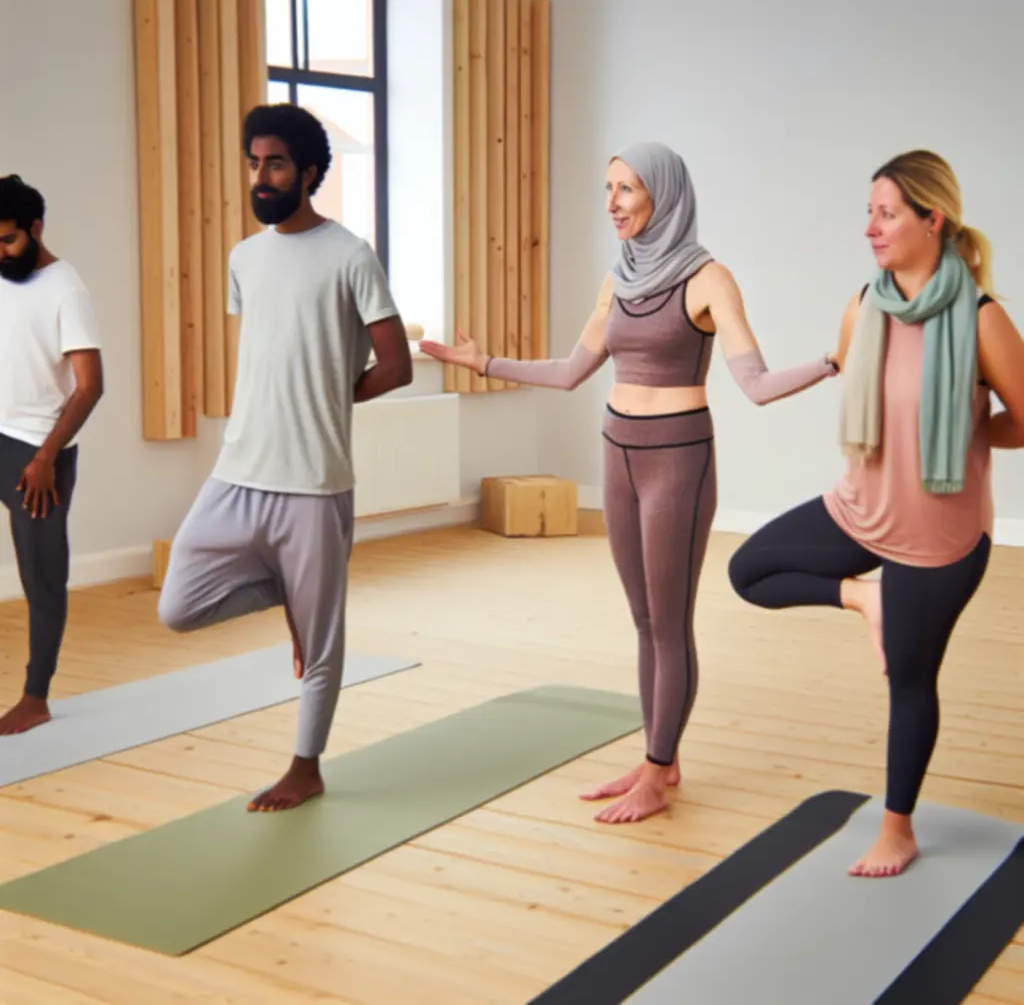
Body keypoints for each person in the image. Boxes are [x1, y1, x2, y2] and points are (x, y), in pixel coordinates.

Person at [419, 141, 838, 823]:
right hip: (617, 451)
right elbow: (568, 370)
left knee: (670, 624)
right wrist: (483, 361)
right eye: (607, 187)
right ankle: (659, 759)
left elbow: (755, 385)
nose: (611, 203)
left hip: (679, 458)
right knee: (643, 621)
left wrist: (830, 360)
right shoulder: (618, 279)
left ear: (663, 196)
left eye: (626, 190)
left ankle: (655, 769)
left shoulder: (709, 280)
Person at [727, 149, 1024, 877]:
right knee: (748, 569)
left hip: (940, 536)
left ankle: (898, 828)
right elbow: (847, 373)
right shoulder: (864, 303)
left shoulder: (983, 319)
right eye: (869, 212)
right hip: (859, 507)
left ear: (934, 219)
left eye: (887, 213)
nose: (871, 227)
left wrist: (966, 433)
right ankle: (865, 596)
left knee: (910, 682)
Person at [157, 104, 413, 812]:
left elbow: (396, 366)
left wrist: (329, 399)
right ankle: (293, 592)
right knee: (178, 605)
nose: (260, 176)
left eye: (273, 163)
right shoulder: (244, 257)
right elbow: (271, 351)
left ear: (307, 172)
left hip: (313, 479)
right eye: (252, 162)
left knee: (322, 643)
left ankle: (306, 767)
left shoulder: (349, 254)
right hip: (237, 469)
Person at [0, 174, 104, 735]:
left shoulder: (67, 289)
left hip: (38, 454)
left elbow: (90, 385)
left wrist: (44, 458)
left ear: (36, 229)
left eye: (8, 241)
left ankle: (35, 697)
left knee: (42, 578)